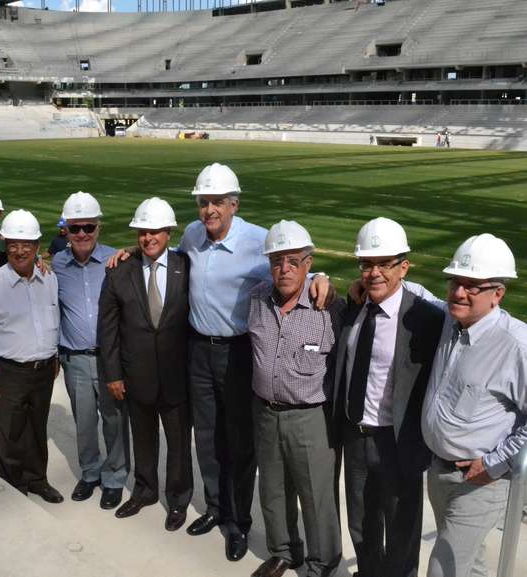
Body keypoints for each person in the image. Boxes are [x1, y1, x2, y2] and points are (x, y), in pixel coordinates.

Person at [180, 163, 331, 560]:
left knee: (240, 443)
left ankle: (238, 522)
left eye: (217, 202)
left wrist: (323, 276)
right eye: (203, 202)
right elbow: (173, 262)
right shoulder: (192, 235)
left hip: (239, 351)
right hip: (198, 348)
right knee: (208, 436)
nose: (209, 210)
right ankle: (215, 507)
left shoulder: (256, 240)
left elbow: (292, 267)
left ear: (234, 204)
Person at [332, 217, 444, 577]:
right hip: (356, 435)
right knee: (362, 525)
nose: (374, 272)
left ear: (404, 267)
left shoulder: (425, 317)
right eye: (367, 264)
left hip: (398, 443)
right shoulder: (356, 307)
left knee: (402, 529)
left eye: (384, 264)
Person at [422, 233, 525, 577]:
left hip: (481, 481)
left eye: (472, 286)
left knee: (444, 568)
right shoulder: (451, 320)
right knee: (469, 564)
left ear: (498, 294)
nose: (459, 292)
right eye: (455, 282)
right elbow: (410, 294)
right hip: (438, 472)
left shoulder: (516, 345)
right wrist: (320, 280)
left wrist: (494, 463)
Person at [249, 221, 344, 577]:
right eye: (276, 261)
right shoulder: (256, 298)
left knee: (316, 496)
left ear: (308, 263)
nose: (284, 269)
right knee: (272, 490)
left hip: (309, 418)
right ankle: (284, 552)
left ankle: (323, 563)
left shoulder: (329, 307)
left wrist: (324, 277)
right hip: (265, 412)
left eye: (293, 261)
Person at [98, 197, 193, 531]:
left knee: (179, 443)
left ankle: (178, 500)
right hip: (135, 376)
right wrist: (113, 374)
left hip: (177, 377)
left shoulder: (186, 267)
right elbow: (107, 330)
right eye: (142, 232)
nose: (148, 238)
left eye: (155, 231)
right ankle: (145, 491)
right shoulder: (119, 271)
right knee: (143, 439)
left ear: (168, 233)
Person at [0, 209, 63, 503]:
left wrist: (55, 355)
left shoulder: (49, 279)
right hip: (9, 371)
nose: (20, 250)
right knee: (9, 433)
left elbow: (53, 318)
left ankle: (37, 479)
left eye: (27, 245)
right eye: (13, 244)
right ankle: (14, 489)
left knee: (36, 428)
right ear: (5, 245)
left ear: (37, 247)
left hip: (43, 369)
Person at [52, 192, 129, 509]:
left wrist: (135, 249)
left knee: (114, 423)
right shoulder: (56, 264)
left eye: (88, 227)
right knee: (84, 423)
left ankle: (115, 477)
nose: (82, 234)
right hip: (76, 360)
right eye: (75, 228)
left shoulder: (118, 261)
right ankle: (90, 473)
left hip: (110, 359)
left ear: (98, 228)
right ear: (65, 230)